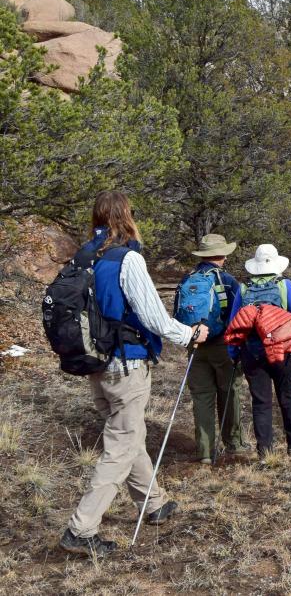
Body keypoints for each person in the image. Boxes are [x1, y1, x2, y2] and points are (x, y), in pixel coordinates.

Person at [60, 191, 209, 558]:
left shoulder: (84, 258)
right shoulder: (127, 259)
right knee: (121, 445)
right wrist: (189, 334)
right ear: (127, 217)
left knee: (129, 435)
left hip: (96, 364)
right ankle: (81, 529)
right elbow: (153, 317)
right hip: (126, 364)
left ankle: (153, 502)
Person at [229, 244, 291, 458]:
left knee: (261, 402)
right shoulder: (284, 285)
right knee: (287, 396)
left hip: (252, 352)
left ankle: (264, 452)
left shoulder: (243, 288)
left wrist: (233, 353)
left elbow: (234, 322)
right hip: (283, 351)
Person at [174, 233, 248, 464]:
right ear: (223, 254)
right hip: (223, 345)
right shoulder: (227, 281)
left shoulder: (188, 279)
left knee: (202, 397)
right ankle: (234, 444)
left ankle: (205, 451)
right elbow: (238, 315)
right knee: (230, 392)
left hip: (194, 344)